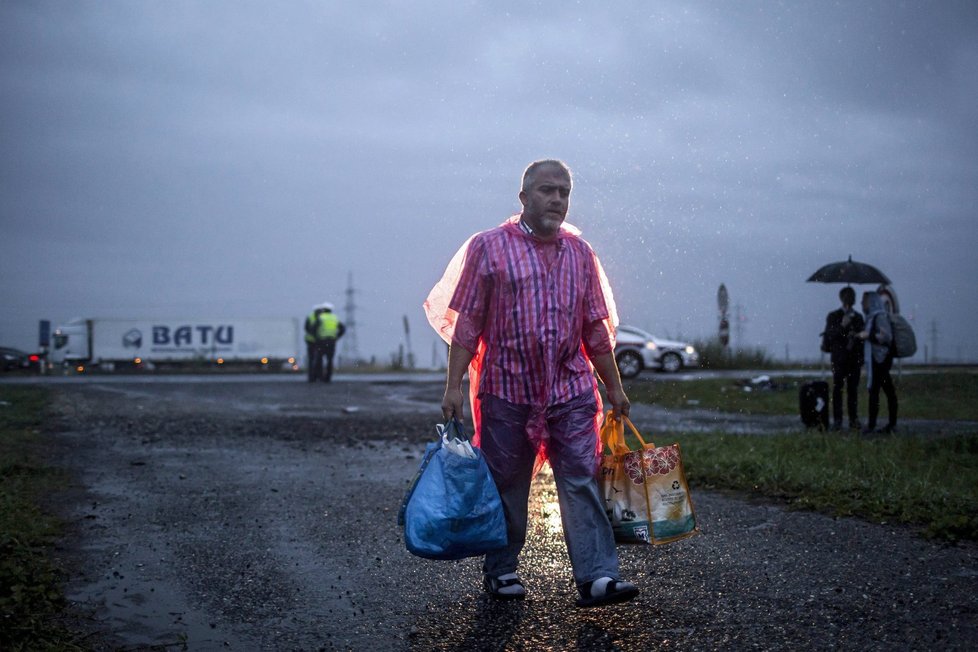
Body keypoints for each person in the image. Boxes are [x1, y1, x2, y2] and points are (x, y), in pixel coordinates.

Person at [423, 159, 639, 608]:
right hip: (507, 391)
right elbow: (468, 326)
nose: (557, 199)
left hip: (570, 390)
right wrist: (453, 387)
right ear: (523, 198)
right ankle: (501, 570)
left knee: (580, 478)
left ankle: (597, 577)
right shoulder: (489, 248)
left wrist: (614, 387)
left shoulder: (580, 255)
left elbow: (595, 330)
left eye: (564, 192)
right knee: (508, 482)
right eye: (546, 190)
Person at [821, 287, 865, 431]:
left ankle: (853, 419)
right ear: (842, 298)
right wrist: (842, 326)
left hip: (854, 358)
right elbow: (830, 335)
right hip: (839, 358)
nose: (850, 298)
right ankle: (838, 420)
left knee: (853, 390)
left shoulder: (858, 317)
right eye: (847, 296)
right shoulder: (833, 316)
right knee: (837, 389)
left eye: (852, 296)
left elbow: (862, 337)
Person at [857, 291, 898, 434]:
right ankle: (890, 424)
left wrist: (869, 335)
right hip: (876, 359)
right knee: (886, 391)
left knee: (876, 391)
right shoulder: (871, 318)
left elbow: (886, 336)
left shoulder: (880, 316)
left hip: (880, 359)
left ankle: (873, 425)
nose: (862, 304)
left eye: (864, 301)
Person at [304, 302, 345, 383]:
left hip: (321, 341)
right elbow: (342, 329)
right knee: (330, 360)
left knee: (319, 358)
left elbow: (312, 328)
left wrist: (316, 337)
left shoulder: (321, 317)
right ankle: (328, 378)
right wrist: (337, 337)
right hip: (332, 341)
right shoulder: (335, 318)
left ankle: (316, 377)